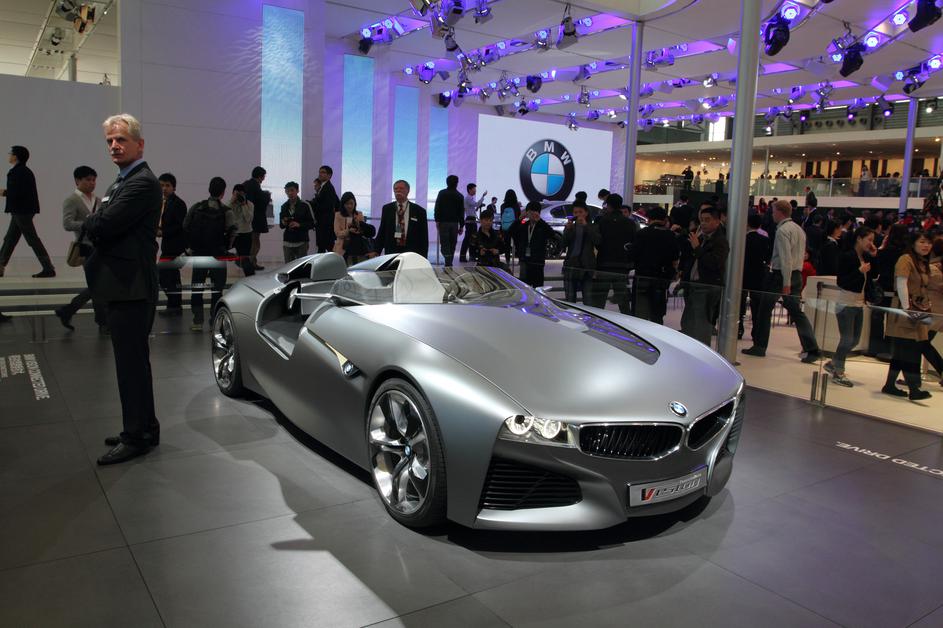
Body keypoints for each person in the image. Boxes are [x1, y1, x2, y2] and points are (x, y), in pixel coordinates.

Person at [83, 113, 161, 465]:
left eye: (121, 140)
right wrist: (97, 221)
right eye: (110, 141)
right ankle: (145, 428)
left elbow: (104, 224)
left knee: (130, 366)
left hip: (132, 287)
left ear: (139, 144)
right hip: (125, 285)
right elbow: (102, 221)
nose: (114, 145)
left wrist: (93, 221)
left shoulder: (141, 182)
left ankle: (136, 436)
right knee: (134, 364)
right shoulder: (123, 180)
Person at [743, 199, 822, 362]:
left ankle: (759, 346)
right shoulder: (799, 229)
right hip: (796, 274)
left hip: (781, 276)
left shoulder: (782, 230)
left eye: (773, 211)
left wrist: (786, 282)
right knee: (796, 312)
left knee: (764, 310)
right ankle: (812, 349)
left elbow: (786, 259)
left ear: (779, 212)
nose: (772, 215)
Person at [55, 165, 107, 332]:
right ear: (77, 181)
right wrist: (87, 223)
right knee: (98, 285)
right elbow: (67, 224)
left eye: (94, 180)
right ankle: (102, 322)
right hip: (85, 247)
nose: (92, 183)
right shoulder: (72, 200)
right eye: (88, 180)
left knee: (97, 285)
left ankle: (67, 311)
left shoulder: (99, 200)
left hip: (100, 246)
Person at [823, 227, 877, 387]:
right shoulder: (847, 256)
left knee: (854, 340)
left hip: (858, 304)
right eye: (869, 239)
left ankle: (833, 363)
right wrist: (859, 271)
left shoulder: (865, 257)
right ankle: (838, 372)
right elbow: (842, 282)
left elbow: (874, 275)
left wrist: (874, 256)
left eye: (873, 240)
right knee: (847, 339)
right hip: (845, 303)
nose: (871, 243)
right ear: (859, 238)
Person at [882, 232, 933, 401]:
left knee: (903, 350)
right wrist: (907, 309)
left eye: (929, 242)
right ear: (913, 243)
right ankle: (913, 389)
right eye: (922, 242)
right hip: (907, 310)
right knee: (909, 350)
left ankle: (889, 385)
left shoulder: (922, 262)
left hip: (919, 309)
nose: (926, 245)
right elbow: (901, 283)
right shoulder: (906, 259)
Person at [184, 176, 235, 331]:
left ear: (209, 189)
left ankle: (197, 321)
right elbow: (233, 233)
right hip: (218, 255)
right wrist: (226, 247)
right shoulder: (226, 211)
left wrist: (191, 247)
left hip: (200, 255)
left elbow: (185, 226)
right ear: (223, 192)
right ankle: (215, 321)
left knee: (197, 288)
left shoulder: (197, 207)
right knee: (217, 290)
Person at [0, 145, 55, 278]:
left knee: (31, 239)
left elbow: (16, 193)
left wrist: (3, 192)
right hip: (23, 210)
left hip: (21, 211)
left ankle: (48, 268)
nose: (9, 156)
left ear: (16, 156)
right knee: (10, 239)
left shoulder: (17, 172)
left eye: (11, 154)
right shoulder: (25, 171)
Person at [680, 205, 729, 345]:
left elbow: (714, 263)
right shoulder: (701, 237)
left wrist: (697, 248)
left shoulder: (720, 241)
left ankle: (702, 352)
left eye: (707, 220)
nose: (703, 223)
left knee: (701, 325)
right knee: (689, 322)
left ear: (717, 221)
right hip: (693, 285)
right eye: (701, 220)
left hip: (707, 287)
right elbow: (691, 260)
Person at [631, 206, 679, 325]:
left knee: (639, 315)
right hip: (661, 279)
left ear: (649, 219)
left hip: (642, 276)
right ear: (664, 219)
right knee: (657, 315)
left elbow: (633, 255)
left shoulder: (642, 233)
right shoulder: (670, 235)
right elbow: (675, 258)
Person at [588, 193, 633, 314]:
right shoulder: (629, 223)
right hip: (622, 266)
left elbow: (597, 242)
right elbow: (632, 244)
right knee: (624, 303)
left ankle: (597, 323)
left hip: (604, 265)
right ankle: (627, 323)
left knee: (599, 302)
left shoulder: (602, 221)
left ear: (608, 205)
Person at [155, 173, 187, 315]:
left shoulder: (178, 203)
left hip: (176, 246)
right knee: (172, 277)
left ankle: (175, 306)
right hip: (168, 246)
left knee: (163, 276)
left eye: (167, 185)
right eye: (161, 185)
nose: (164, 188)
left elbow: (180, 226)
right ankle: (174, 306)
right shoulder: (162, 202)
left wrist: (163, 232)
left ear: (174, 187)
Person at [375, 180, 428, 257]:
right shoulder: (387, 208)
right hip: (391, 250)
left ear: (408, 191)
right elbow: (382, 231)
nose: (398, 190)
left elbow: (423, 237)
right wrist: (376, 250)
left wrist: (423, 257)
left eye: (401, 188)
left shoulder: (419, 211)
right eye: (396, 189)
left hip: (411, 252)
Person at [562, 201, 599, 304]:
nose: (578, 214)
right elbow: (563, 244)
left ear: (586, 213)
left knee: (588, 299)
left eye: (580, 212)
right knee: (570, 299)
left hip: (587, 266)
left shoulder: (593, 226)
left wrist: (586, 226)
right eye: (575, 212)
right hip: (571, 266)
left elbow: (597, 241)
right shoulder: (571, 227)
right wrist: (568, 230)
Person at [509, 201, 554, 288]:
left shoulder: (542, 226)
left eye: (534, 212)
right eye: (529, 212)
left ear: (538, 213)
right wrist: (519, 219)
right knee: (525, 289)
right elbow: (510, 232)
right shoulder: (524, 226)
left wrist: (540, 220)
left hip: (538, 262)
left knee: (538, 288)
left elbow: (552, 234)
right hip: (525, 262)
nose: (532, 214)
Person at [740, 213, 771, 340]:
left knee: (740, 304)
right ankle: (756, 332)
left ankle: (738, 329)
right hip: (759, 276)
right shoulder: (765, 240)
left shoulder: (743, 239)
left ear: (747, 223)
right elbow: (768, 258)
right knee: (757, 306)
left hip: (743, 275)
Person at [432, 174, 464, 267]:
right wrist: (461, 225)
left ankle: (448, 262)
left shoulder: (442, 193)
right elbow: (461, 212)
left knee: (445, 244)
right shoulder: (460, 196)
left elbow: (437, 207)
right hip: (454, 224)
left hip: (443, 223)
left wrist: (437, 220)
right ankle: (449, 263)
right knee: (452, 244)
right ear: (457, 183)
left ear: (447, 182)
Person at [279, 181, 314, 263]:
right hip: (287, 241)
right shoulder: (284, 206)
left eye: (292, 190)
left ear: (297, 191)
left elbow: (312, 223)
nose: (290, 193)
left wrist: (299, 225)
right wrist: (283, 223)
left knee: (301, 266)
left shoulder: (305, 205)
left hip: (301, 241)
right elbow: (281, 225)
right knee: (288, 267)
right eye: (287, 191)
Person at [244, 166, 270, 270]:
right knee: (255, 243)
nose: (264, 178)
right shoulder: (255, 186)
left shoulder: (245, 184)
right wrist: (267, 195)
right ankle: (250, 263)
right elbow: (260, 202)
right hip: (255, 219)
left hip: (246, 219)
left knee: (249, 242)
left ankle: (250, 262)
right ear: (260, 176)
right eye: (264, 176)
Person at [311, 165, 339, 253]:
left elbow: (328, 206)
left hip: (325, 224)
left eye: (323, 172)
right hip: (322, 223)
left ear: (329, 175)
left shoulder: (329, 188)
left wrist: (313, 205)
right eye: (319, 172)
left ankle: (336, 261)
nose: (320, 174)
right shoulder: (323, 187)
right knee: (322, 247)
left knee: (327, 247)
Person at [229, 183, 255, 277]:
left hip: (245, 234)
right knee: (218, 253)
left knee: (245, 258)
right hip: (232, 234)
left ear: (245, 194)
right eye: (237, 194)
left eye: (242, 194)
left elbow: (248, 219)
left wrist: (244, 205)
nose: (239, 196)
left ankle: (250, 279)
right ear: (233, 194)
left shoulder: (250, 204)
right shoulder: (230, 204)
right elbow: (224, 215)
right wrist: (231, 202)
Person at [459, 182, 485, 263]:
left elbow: (474, 207)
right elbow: (477, 204)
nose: (475, 190)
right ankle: (463, 257)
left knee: (472, 239)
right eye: (474, 189)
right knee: (468, 239)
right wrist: (483, 196)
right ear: (470, 190)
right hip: (470, 221)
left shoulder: (470, 198)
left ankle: (471, 256)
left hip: (472, 220)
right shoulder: (468, 198)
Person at [499, 189, 520, 265]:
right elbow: (518, 216)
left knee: (507, 245)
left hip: (505, 228)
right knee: (517, 244)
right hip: (515, 227)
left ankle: (507, 261)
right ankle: (520, 260)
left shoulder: (502, 206)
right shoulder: (516, 206)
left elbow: (502, 217)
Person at [333, 191, 356, 259]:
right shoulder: (338, 215)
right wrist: (348, 231)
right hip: (341, 249)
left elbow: (362, 231)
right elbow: (337, 233)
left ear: (355, 203)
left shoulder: (359, 214)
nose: (349, 206)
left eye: (351, 203)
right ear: (343, 204)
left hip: (355, 248)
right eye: (347, 204)